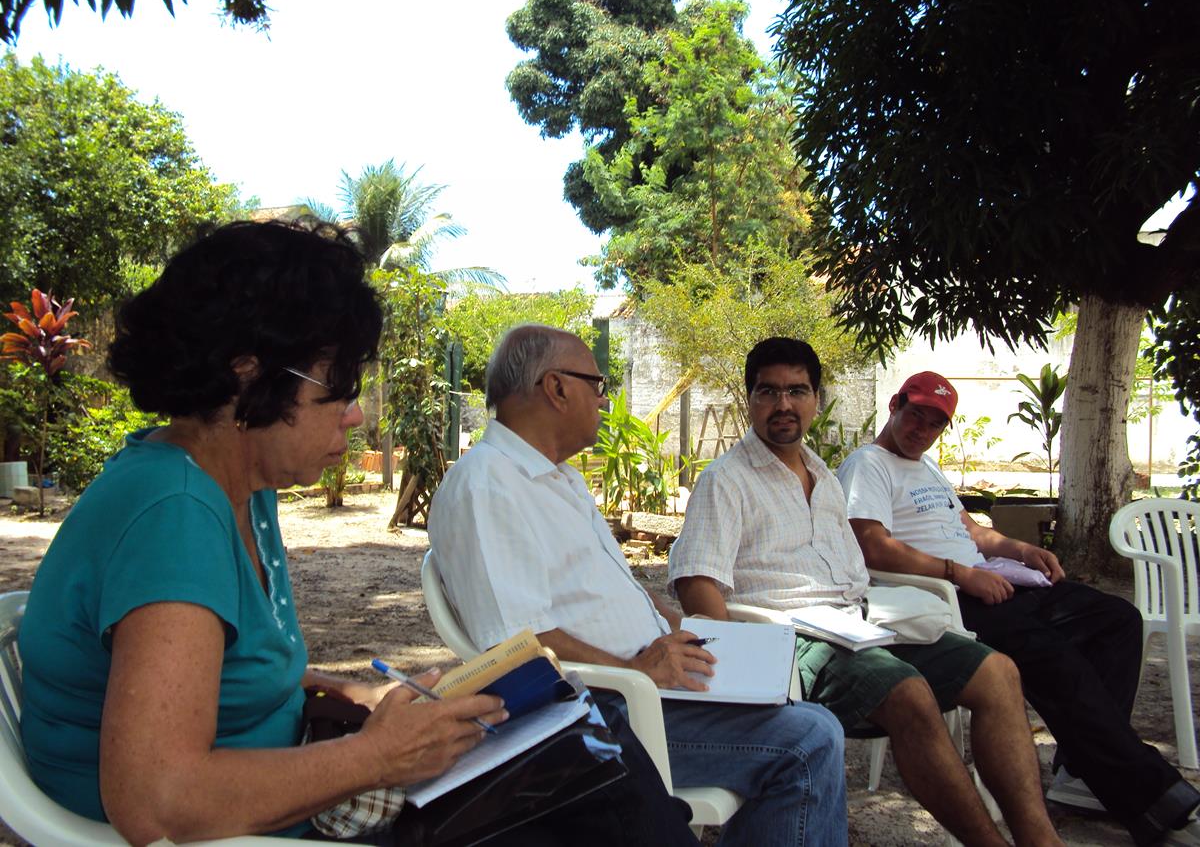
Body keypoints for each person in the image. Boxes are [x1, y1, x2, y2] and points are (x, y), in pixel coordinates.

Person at [17, 221, 695, 847]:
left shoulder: (236, 489)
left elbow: (223, 676)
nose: (355, 416)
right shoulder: (174, 516)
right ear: (248, 376)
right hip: (244, 832)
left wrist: (355, 695)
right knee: (592, 786)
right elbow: (158, 801)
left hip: (277, 797)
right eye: (338, 388)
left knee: (587, 742)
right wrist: (377, 755)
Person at [428, 324, 848, 847]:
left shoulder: (559, 479)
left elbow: (620, 591)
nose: (604, 401)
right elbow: (515, 645)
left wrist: (687, 631)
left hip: (652, 684)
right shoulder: (487, 485)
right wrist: (634, 670)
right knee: (811, 740)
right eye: (597, 385)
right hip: (609, 709)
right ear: (557, 388)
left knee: (791, 700)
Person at [670, 337, 1064, 847]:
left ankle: (1040, 840)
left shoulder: (823, 476)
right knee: (909, 693)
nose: (783, 404)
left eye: (797, 391)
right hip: (794, 641)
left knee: (998, 672)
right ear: (750, 400)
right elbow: (697, 582)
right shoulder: (726, 481)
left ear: (816, 400)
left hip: (861, 623)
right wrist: (739, 677)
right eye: (768, 391)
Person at [837, 370, 1200, 847]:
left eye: (934, 423)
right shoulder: (868, 465)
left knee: (1117, 621)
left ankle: (1080, 772)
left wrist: (1020, 549)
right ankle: (1157, 800)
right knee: (1055, 659)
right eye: (915, 416)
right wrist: (960, 574)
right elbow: (872, 546)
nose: (921, 430)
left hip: (992, 581)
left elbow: (971, 531)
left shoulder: (927, 468)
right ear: (895, 406)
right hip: (947, 597)